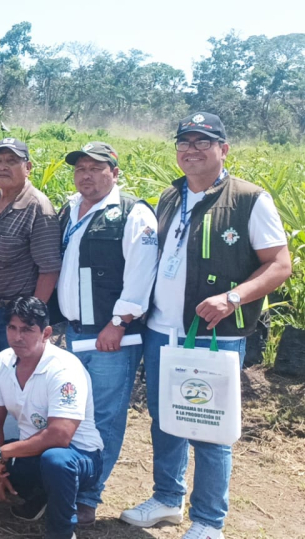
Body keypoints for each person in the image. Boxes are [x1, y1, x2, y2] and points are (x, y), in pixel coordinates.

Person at [120, 113, 291, 539]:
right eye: (185, 142)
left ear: (223, 149)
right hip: (163, 330)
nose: (191, 150)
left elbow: (279, 264)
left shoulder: (249, 199)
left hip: (215, 335)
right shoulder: (170, 196)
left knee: (210, 428)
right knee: (165, 419)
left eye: (203, 142)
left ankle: (209, 521)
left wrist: (232, 298)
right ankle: (167, 499)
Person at [51, 141, 159, 524]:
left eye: (96, 168)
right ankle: (69, 485)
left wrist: (119, 322)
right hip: (75, 332)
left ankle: (88, 497)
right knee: (74, 412)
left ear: (114, 173)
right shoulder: (70, 208)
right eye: (80, 168)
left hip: (111, 336)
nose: (86, 175)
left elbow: (143, 272)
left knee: (105, 417)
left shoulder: (132, 213)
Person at [0, 296, 104, 539]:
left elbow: (60, 436)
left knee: (56, 461)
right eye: (12, 328)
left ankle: (62, 532)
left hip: (78, 454)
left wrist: (3, 452)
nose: (17, 337)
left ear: (46, 333)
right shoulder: (3, 360)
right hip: (30, 450)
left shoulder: (64, 369)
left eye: (27, 329)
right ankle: (39, 496)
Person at [0, 138, 61, 390]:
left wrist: (28, 322)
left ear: (28, 167)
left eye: (12, 161)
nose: (3, 167)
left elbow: (49, 270)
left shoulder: (38, 208)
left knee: (20, 387)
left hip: (19, 318)